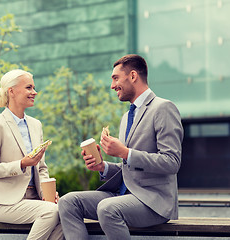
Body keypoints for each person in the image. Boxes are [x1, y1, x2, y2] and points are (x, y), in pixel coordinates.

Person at [58, 54, 184, 240]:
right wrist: (103, 166)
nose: (112, 86)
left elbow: (172, 162)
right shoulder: (126, 117)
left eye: (115, 78)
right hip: (123, 196)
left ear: (133, 76)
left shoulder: (163, 108)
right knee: (68, 202)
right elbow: (129, 168)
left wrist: (125, 152)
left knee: (107, 208)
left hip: (153, 201)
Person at [0, 69, 64, 240]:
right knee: (51, 212)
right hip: (2, 202)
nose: (34, 92)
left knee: (68, 213)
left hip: (34, 199)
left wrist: (48, 194)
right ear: (11, 91)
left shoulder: (35, 125)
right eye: (29, 87)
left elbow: (41, 168)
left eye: (34, 87)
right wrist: (22, 164)